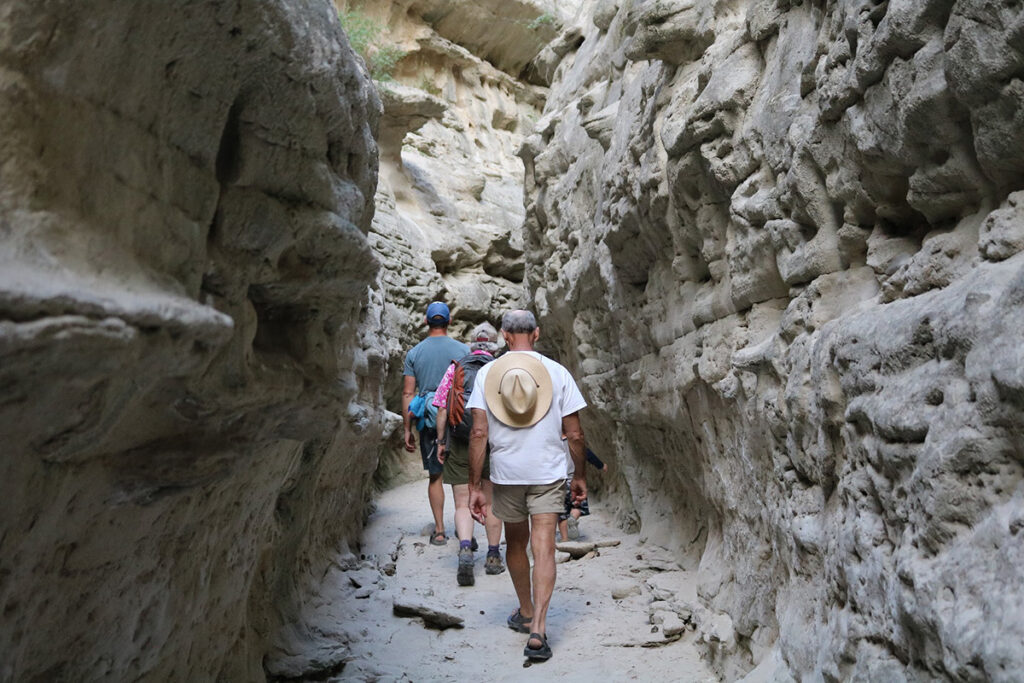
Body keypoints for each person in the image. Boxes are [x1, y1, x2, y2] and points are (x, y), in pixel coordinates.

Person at [467, 310, 588, 662]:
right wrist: (579, 475)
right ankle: (538, 628)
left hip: (507, 474)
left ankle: (524, 609)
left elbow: (478, 433)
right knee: (545, 546)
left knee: (516, 544)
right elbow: (576, 433)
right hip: (548, 473)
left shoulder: (488, 373)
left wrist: (476, 485)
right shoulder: (557, 373)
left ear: (504, 335)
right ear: (536, 333)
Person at [433, 322, 505, 586]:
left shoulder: (456, 367)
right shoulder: (500, 369)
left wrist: (441, 441)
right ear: (495, 344)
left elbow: (442, 408)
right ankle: (494, 556)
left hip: (462, 441)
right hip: (494, 443)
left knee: (463, 502)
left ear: (472, 343)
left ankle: (465, 548)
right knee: (491, 500)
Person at [403, 301, 469, 546]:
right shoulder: (463, 350)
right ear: (449, 322)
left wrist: (406, 428)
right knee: (461, 476)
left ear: (426, 321)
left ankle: (440, 531)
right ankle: (465, 530)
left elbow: (408, 394)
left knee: (435, 476)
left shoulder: (415, 353)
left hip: (429, 420)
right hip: (457, 418)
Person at [557, 445, 607, 541]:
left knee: (562, 513)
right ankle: (573, 518)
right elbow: (589, 455)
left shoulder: (554, 445)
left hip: (559, 482)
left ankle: (564, 539)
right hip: (575, 482)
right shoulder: (575, 445)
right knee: (578, 506)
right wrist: (601, 465)